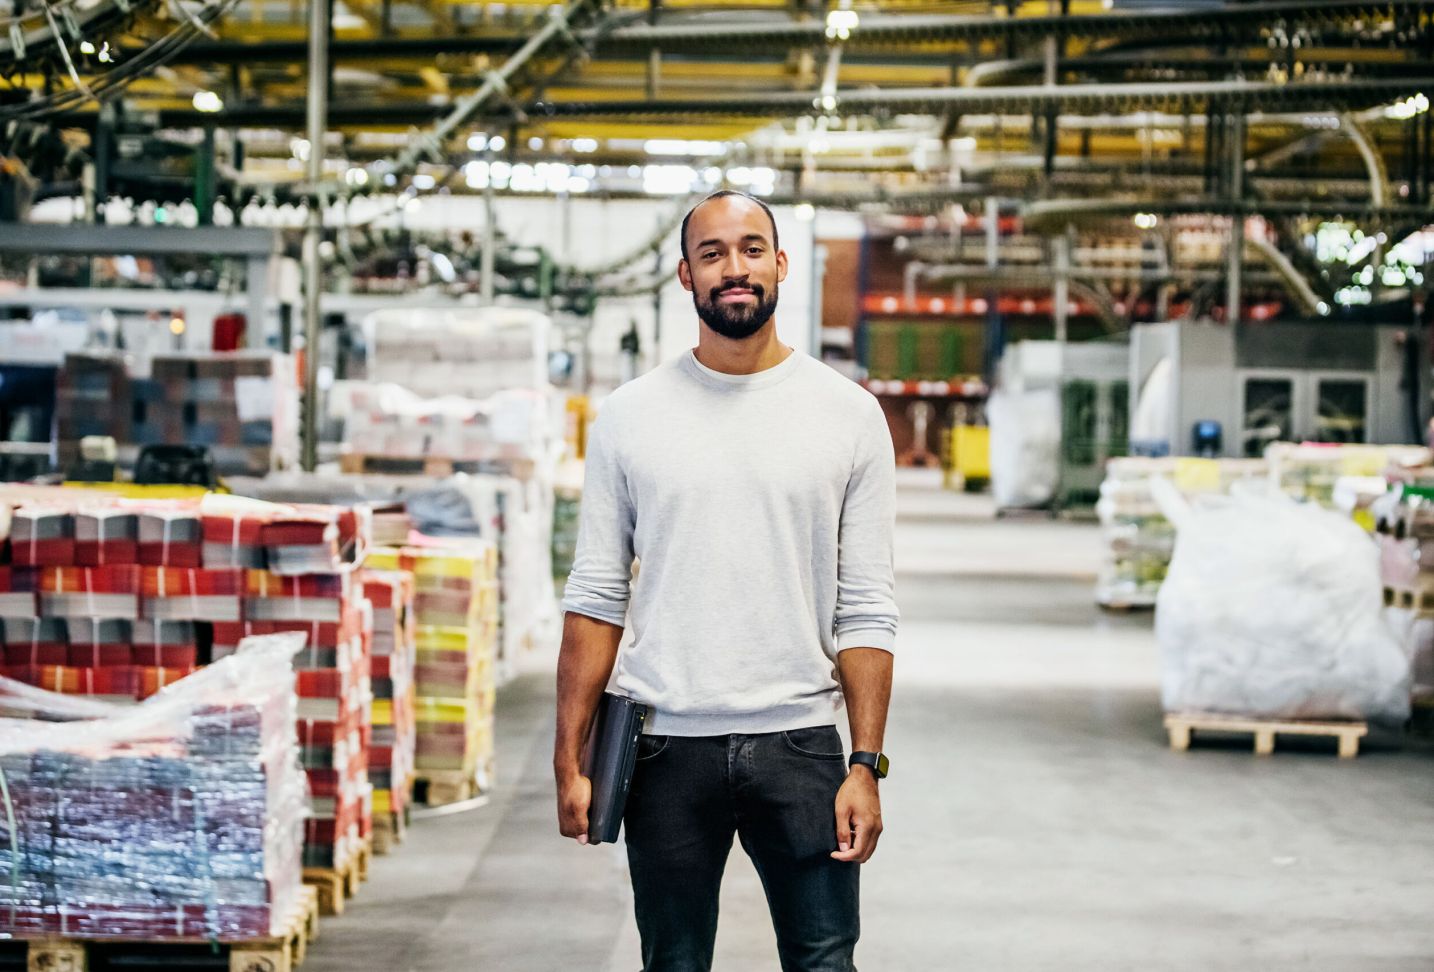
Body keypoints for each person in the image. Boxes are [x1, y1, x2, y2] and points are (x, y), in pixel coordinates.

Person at [554, 189, 899, 972]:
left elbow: (869, 608)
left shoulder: (848, 415)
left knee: (824, 962)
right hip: (664, 750)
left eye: (750, 249)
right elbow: (597, 594)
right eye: (712, 253)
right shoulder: (630, 416)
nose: (733, 268)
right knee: (672, 964)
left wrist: (865, 763)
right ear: (686, 275)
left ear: (779, 264)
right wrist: (567, 761)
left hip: (802, 748)